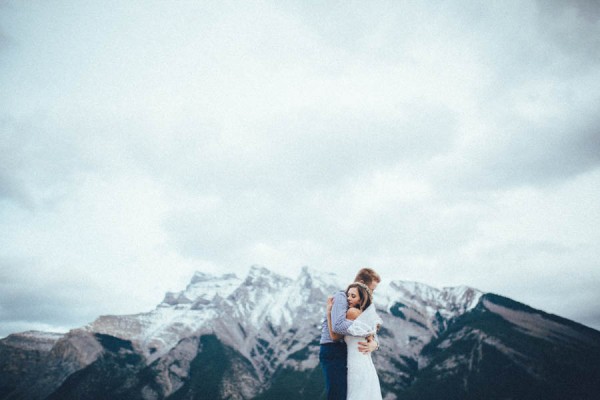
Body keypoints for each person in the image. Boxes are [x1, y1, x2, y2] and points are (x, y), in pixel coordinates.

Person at [319, 268, 381, 400]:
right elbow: (338, 328)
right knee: (337, 393)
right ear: (362, 283)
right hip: (332, 348)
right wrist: (367, 330)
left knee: (346, 393)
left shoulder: (358, 307)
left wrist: (375, 343)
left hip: (345, 350)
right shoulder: (342, 297)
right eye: (372, 289)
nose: (372, 293)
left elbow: (368, 329)